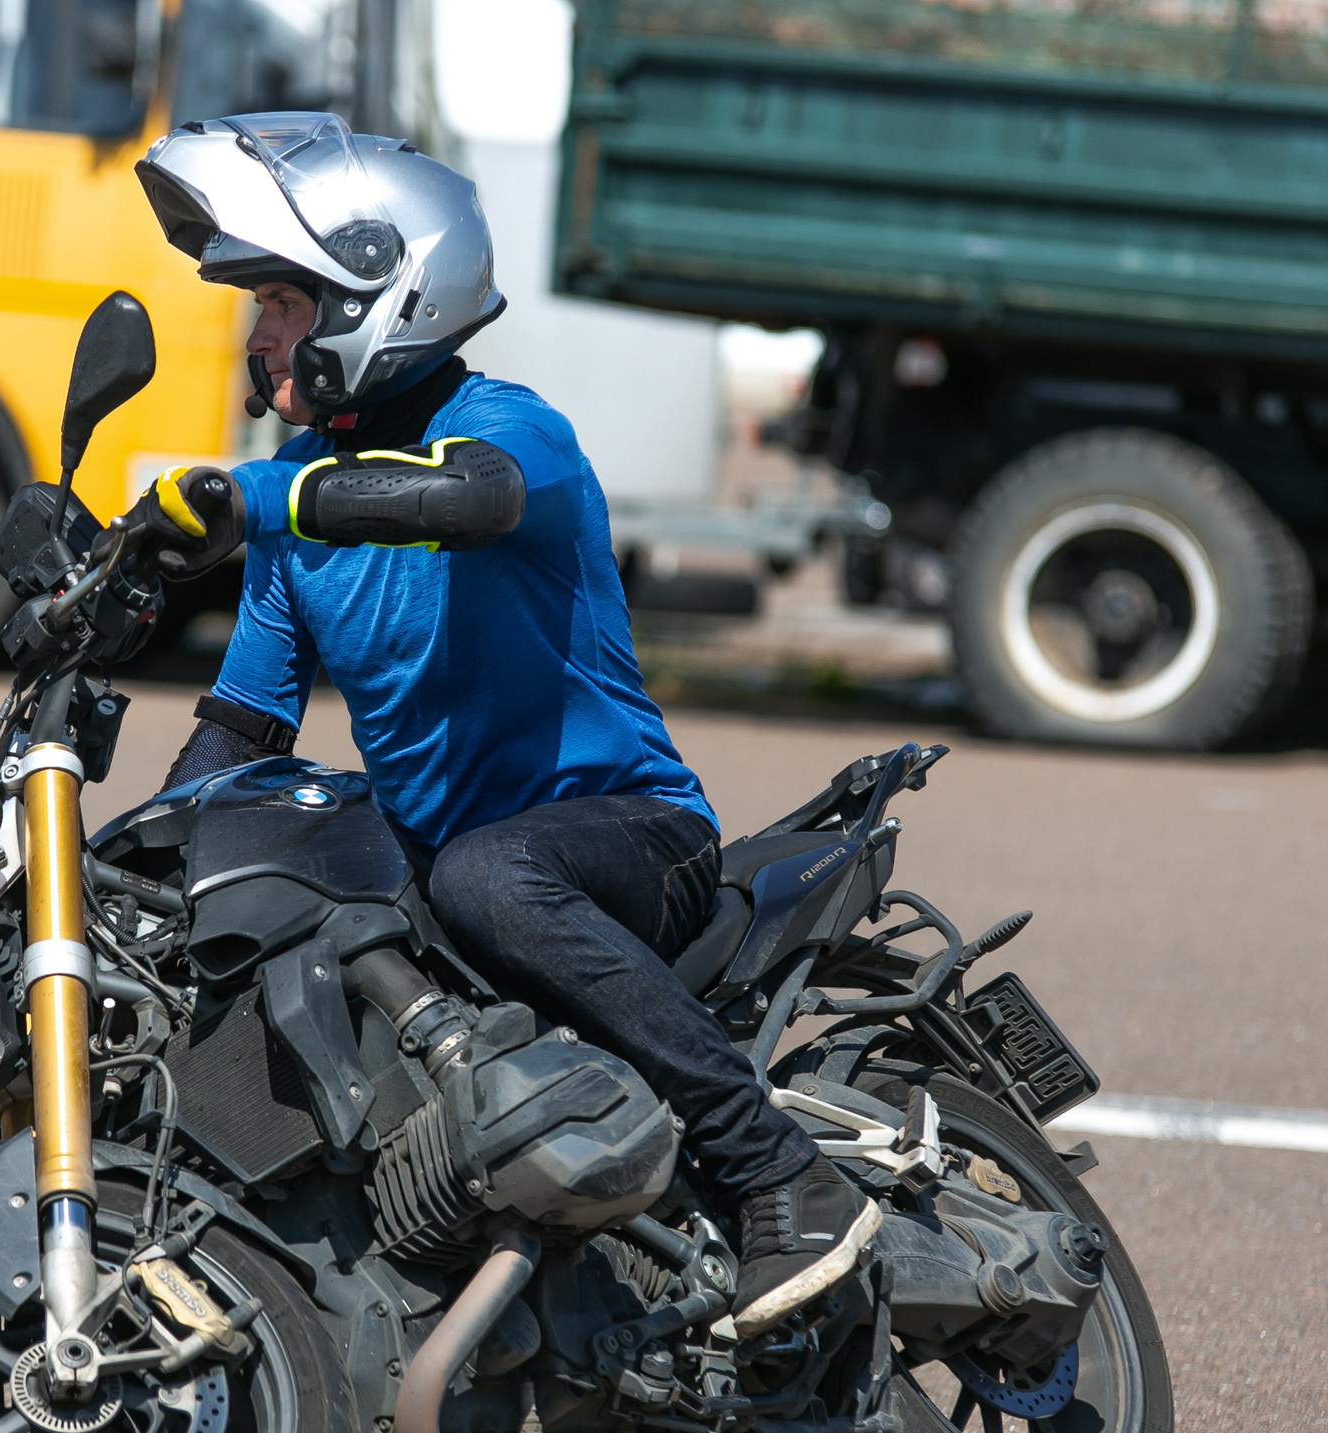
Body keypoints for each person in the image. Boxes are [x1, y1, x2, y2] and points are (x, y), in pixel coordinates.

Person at [122, 113, 879, 1337]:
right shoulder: (298, 516)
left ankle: (774, 1167)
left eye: (278, 299)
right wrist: (136, 870)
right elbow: (243, 727)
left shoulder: (510, 429)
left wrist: (245, 495)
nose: (255, 333)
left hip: (628, 836)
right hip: (461, 868)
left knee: (488, 875)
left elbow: (467, 501)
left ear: (379, 294)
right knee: (289, 924)